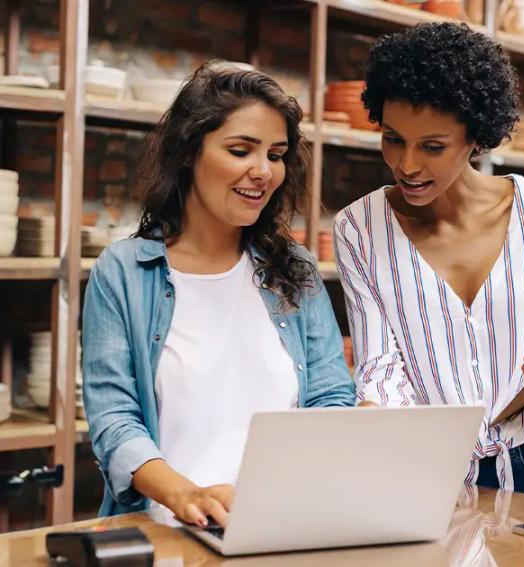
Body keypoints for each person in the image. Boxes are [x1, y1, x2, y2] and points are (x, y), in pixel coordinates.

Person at [334, 23, 524, 502]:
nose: (407, 164)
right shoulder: (359, 227)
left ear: (475, 137)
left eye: (432, 146)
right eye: (393, 139)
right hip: (422, 471)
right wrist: (369, 425)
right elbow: (380, 366)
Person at [82, 62, 356, 525]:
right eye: (240, 150)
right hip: (171, 527)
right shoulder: (125, 272)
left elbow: (331, 398)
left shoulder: (295, 269)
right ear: (190, 151)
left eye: (275, 154)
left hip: (283, 523)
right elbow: (114, 419)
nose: (263, 172)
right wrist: (186, 495)